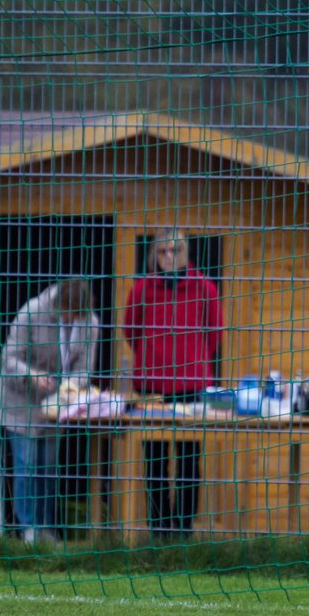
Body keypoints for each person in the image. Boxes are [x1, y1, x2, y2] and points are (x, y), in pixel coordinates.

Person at [123, 230, 223, 539]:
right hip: (152, 387)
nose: (169, 256)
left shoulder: (204, 288)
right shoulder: (142, 289)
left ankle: (184, 528)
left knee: (189, 461)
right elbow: (130, 329)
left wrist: (192, 360)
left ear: (186, 253)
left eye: (175, 250)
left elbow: (215, 332)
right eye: (163, 251)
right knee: (154, 460)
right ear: (154, 254)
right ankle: (159, 528)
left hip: (191, 387)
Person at [0, 279, 100, 544]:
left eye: (76, 314)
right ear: (59, 304)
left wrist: (70, 386)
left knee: (49, 469)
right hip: (21, 404)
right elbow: (9, 358)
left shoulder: (91, 323)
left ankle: (46, 529)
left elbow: (85, 367)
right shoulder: (31, 311)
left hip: (57, 406)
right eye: (67, 312)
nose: (70, 318)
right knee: (27, 465)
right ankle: (28, 530)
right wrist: (33, 376)